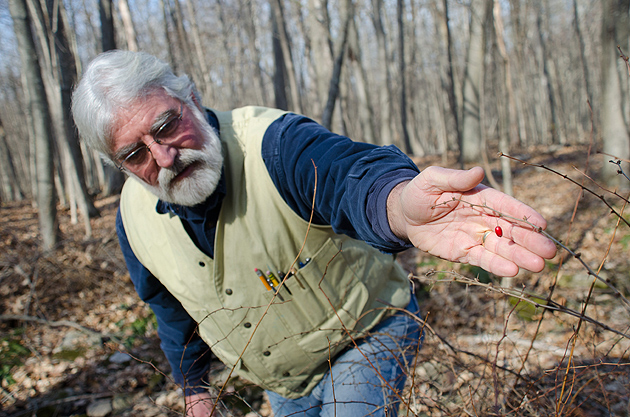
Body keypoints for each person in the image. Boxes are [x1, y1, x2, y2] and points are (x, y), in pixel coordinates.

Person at [71, 50, 556, 417]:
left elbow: (349, 175)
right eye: (135, 154)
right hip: (283, 378)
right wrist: (194, 386)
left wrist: (399, 208)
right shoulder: (133, 221)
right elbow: (172, 308)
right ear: (118, 166)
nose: (164, 157)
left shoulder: (273, 144)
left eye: (166, 125)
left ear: (191, 100)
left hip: (366, 332)